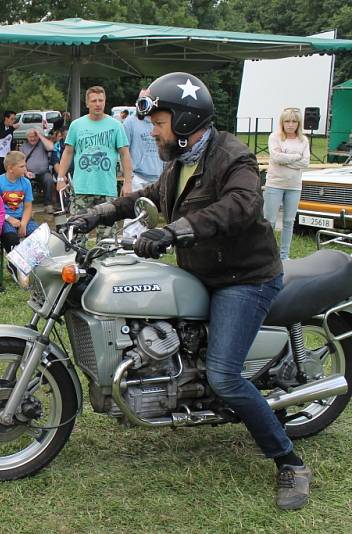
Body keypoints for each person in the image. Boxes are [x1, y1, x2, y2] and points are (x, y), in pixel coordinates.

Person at [71, 72, 309, 511]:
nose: (153, 131)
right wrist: (98, 214)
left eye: (159, 123)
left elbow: (240, 205)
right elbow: (148, 196)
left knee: (225, 376)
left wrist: (175, 231)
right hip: (203, 272)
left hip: (244, 278)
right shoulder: (181, 163)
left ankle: (289, 461)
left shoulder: (232, 156)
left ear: (183, 122)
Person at [56, 86, 132, 242]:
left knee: (107, 238)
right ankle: (79, 265)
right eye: (94, 101)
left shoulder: (116, 125)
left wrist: (128, 182)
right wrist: (60, 177)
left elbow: (124, 154)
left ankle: (104, 264)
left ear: (105, 102)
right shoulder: (76, 125)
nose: (98, 104)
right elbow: (68, 152)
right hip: (81, 189)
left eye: (101, 100)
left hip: (107, 190)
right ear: (87, 103)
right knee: (77, 235)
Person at [263, 108, 310, 260]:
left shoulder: (303, 140)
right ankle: (267, 256)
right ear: (282, 122)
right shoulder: (275, 137)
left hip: (294, 186)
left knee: (289, 221)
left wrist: (287, 160)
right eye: (287, 121)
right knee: (269, 221)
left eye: (294, 121)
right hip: (275, 184)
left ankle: (284, 256)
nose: (290, 124)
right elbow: (276, 158)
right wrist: (296, 157)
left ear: (299, 123)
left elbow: (306, 162)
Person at [122, 88, 165, 238]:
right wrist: (128, 178)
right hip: (137, 177)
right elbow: (124, 150)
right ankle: (128, 245)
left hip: (157, 177)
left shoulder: (159, 121)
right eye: (141, 100)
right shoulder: (130, 122)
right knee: (133, 215)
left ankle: (145, 245)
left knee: (150, 217)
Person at [0, 150, 39, 253]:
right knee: (11, 238)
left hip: (22, 218)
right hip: (4, 219)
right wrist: (8, 218)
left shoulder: (26, 183)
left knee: (38, 235)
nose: (25, 169)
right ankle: (13, 264)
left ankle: (31, 263)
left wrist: (23, 224)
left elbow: (28, 206)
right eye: (22, 166)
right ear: (11, 168)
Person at [20, 128, 56, 214]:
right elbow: (21, 162)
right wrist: (25, 172)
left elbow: (51, 147)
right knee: (22, 181)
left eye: (34, 136)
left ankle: (48, 205)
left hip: (43, 172)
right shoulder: (23, 147)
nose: (32, 139)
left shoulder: (42, 144)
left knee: (49, 179)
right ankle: (25, 205)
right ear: (27, 137)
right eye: (30, 137)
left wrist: (40, 135)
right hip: (28, 172)